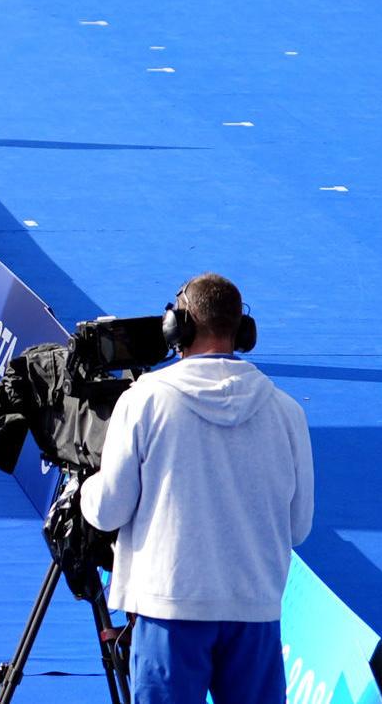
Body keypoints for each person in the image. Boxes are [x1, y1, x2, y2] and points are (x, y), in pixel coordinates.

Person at [79, 274, 313, 704]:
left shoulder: (144, 400)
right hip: (254, 610)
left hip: (170, 607)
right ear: (242, 332)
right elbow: (298, 529)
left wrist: (83, 490)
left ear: (177, 328)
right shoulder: (287, 412)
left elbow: (108, 511)